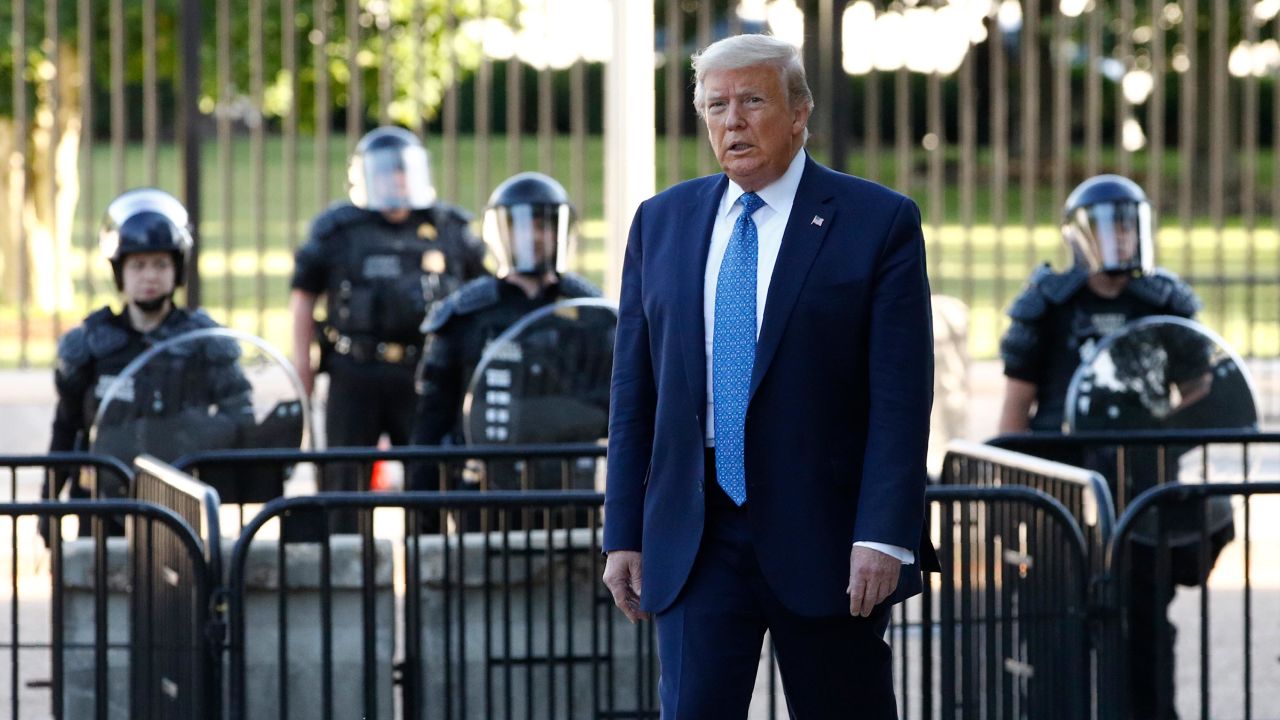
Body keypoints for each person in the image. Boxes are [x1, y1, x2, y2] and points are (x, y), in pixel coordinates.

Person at [601, 34, 938, 717]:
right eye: (716, 104)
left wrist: (883, 536)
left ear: (800, 111)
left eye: (753, 100)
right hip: (696, 535)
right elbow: (634, 395)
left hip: (829, 541)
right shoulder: (660, 222)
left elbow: (901, 399)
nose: (733, 120)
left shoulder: (878, 222)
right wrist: (623, 533)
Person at [996, 174, 1207, 720]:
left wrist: (1157, 428)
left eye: (1126, 224)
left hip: (1139, 491)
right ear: (1081, 234)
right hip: (1061, 486)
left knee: (1146, 627)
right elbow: (1015, 408)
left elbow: (1201, 387)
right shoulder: (1048, 305)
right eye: (1108, 225)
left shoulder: (1161, 302)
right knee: (1056, 626)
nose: (1120, 237)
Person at [290, 126, 488, 502]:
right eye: (384, 174)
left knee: (428, 482)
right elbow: (303, 295)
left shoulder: (448, 229)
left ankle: (425, 557)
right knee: (342, 488)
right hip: (354, 371)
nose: (394, 184)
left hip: (425, 374)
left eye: (402, 174)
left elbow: (484, 293)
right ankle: (346, 556)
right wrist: (303, 364)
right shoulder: (338, 230)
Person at [45, 188, 253, 540]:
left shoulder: (203, 342)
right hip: (99, 504)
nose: (149, 276)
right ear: (119, 271)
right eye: (138, 265)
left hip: (178, 504)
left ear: (177, 269)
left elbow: (241, 419)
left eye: (160, 264)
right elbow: (66, 430)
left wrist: (191, 430)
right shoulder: (91, 345)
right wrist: (47, 512)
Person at [410, 172, 601, 491]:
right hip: (486, 490)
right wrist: (423, 520)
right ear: (501, 234)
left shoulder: (588, 312)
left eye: (544, 226)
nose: (535, 237)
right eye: (522, 226)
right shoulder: (465, 315)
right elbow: (432, 420)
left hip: (569, 488)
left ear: (560, 232)